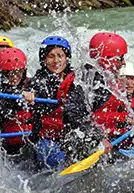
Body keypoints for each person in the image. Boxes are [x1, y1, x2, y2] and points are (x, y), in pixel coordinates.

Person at [28, 35, 90, 169]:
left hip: (71, 134)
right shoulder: (37, 82)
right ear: (44, 59)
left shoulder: (78, 79)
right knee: (52, 157)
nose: (56, 61)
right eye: (51, 56)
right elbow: (32, 90)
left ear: (67, 58)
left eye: (60, 55)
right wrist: (29, 97)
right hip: (48, 138)